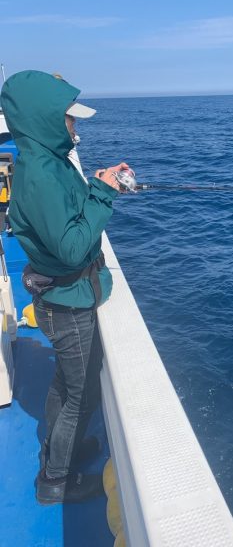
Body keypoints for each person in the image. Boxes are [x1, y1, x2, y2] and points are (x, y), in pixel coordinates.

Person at [0, 70, 129, 504]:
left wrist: (98, 185)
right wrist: (105, 195)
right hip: (68, 305)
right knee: (80, 393)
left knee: (65, 383)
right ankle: (55, 479)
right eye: (69, 119)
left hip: (62, 300)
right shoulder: (42, 175)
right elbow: (73, 248)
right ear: (45, 120)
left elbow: (67, 217)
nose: (75, 126)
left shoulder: (45, 163)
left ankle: (60, 449)